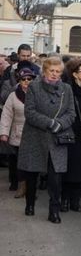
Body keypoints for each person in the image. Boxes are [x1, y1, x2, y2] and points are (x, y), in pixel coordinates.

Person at [17, 57, 76, 223]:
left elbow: (71, 113)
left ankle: (54, 210)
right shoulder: (34, 86)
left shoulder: (66, 89)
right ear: (44, 71)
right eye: (52, 71)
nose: (55, 74)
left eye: (58, 72)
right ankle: (29, 203)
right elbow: (30, 112)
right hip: (35, 136)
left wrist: (60, 124)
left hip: (58, 138)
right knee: (32, 173)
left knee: (55, 177)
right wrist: (50, 123)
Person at [60, 59, 81, 213]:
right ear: (75, 74)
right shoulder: (68, 90)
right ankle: (65, 200)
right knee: (70, 167)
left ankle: (75, 200)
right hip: (72, 131)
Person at [0, 68, 36, 198]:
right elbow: (6, 115)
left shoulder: (38, 94)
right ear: (19, 81)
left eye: (29, 79)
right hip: (18, 133)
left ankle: (31, 188)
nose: (26, 81)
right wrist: (4, 132)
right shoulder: (13, 95)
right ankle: (21, 185)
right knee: (19, 162)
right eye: (23, 79)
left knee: (32, 162)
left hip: (34, 133)